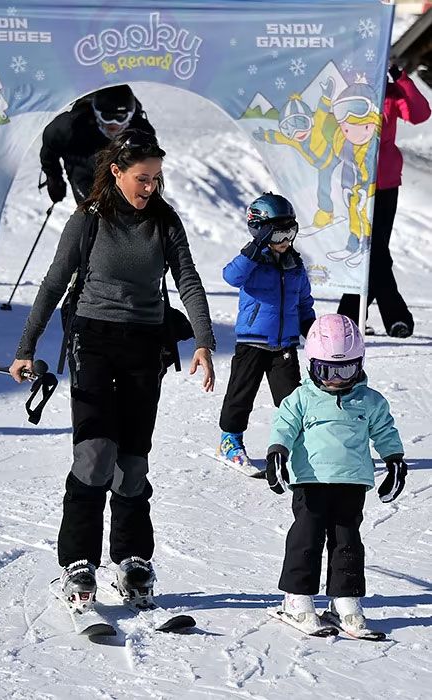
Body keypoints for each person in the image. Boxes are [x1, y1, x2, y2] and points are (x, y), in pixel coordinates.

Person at [10, 128, 215, 611]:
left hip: (146, 344)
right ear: (118, 171)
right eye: (142, 178)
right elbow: (55, 281)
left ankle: (131, 559)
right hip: (93, 340)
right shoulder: (88, 220)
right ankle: (78, 561)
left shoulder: (165, 222)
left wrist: (204, 342)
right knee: (96, 453)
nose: (150, 188)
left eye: (157, 179)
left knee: (132, 462)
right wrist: (26, 346)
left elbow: (187, 279)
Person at [266, 314, 407, 635]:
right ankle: (297, 599)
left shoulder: (369, 401)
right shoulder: (301, 399)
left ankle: (345, 601)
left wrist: (395, 459)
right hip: (311, 482)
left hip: (352, 483)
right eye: (327, 371)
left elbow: (385, 431)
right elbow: (283, 427)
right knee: (306, 539)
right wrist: (277, 452)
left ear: (359, 365)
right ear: (312, 366)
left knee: (348, 542)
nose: (337, 379)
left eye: (346, 370)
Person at [217, 192, 316, 470]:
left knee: (291, 400)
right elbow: (230, 277)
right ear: (260, 232)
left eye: (290, 232)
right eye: (276, 235)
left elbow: (304, 303)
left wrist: (313, 332)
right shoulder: (251, 261)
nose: (284, 241)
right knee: (240, 394)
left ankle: (299, 445)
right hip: (252, 342)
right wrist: (255, 248)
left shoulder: (295, 264)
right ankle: (230, 440)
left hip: (284, 345)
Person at [337, 65, 431, 337]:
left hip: (385, 183)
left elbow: (420, 114)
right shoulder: (348, 93)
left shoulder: (390, 93)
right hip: (355, 183)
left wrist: (401, 78)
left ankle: (349, 319)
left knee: (374, 251)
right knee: (369, 252)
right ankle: (390, 317)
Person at [40, 84, 155, 204]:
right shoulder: (71, 125)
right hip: (81, 167)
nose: (114, 124)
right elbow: (50, 145)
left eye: (121, 117)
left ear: (130, 116)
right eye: (107, 117)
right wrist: (53, 176)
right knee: (92, 212)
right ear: (96, 113)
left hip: (120, 171)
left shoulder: (142, 132)